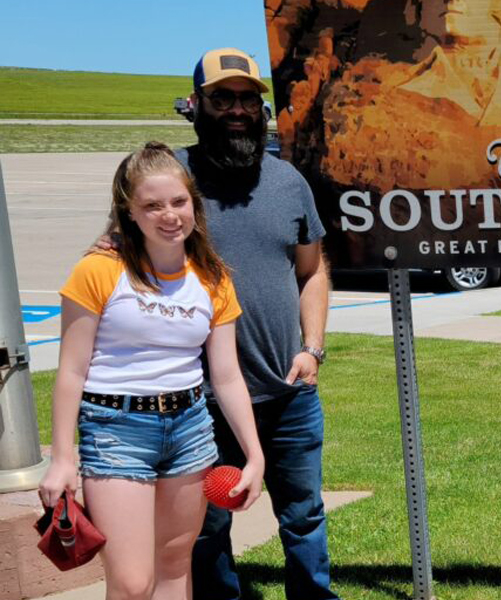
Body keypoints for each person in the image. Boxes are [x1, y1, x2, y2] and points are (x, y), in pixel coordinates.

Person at [99, 47, 334, 598]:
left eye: (247, 99)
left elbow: (312, 271)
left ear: (262, 108)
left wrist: (313, 347)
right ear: (195, 105)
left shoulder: (288, 183)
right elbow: (118, 264)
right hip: (195, 402)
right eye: (221, 98)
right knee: (206, 528)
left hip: (288, 388)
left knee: (303, 515)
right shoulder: (170, 188)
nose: (236, 110)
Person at [39, 142, 265, 600]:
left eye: (179, 202)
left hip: (190, 430)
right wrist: (63, 458)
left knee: (174, 566)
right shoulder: (99, 270)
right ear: (130, 212)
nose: (169, 215)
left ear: (194, 205)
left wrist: (253, 454)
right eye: (152, 205)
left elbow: (225, 375)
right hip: (115, 430)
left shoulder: (214, 277)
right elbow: (71, 372)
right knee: (131, 581)